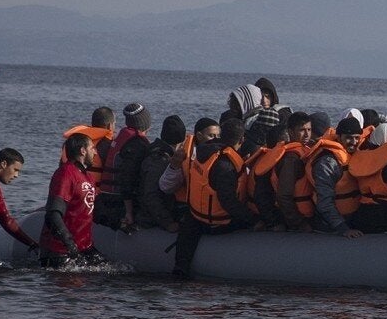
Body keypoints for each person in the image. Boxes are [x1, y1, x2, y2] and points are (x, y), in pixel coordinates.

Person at [174, 117, 257, 277]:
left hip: (196, 216)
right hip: (219, 222)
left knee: (189, 226)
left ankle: (181, 266)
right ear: (242, 140)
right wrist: (253, 219)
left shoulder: (203, 152)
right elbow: (228, 201)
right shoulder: (226, 165)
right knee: (253, 220)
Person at [40, 132, 105, 267]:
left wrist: (119, 223)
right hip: (61, 251)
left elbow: (93, 210)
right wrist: (70, 244)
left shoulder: (88, 177)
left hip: (84, 247)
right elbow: (53, 214)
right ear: (82, 151)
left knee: (108, 273)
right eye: (92, 148)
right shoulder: (65, 174)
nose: (95, 152)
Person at [310, 116, 369, 238]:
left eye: (357, 138)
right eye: (348, 138)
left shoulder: (353, 155)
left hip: (351, 220)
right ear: (338, 137)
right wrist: (343, 228)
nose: (353, 142)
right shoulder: (327, 162)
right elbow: (324, 202)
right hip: (328, 227)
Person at [263, 111, 316, 231]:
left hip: (307, 214)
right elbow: (283, 196)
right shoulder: (291, 159)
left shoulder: (305, 150)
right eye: (302, 130)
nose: (307, 134)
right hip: (298, 219)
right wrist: (299, 223)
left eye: (309, 130)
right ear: (291, 132)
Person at [103, 103, 152, 230]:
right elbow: (127, 178)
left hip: (108, 195)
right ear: (145, 124)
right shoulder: (137, 144)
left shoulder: (122, 136)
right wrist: (129, 212)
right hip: (119, 201)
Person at [135, 115, 187, 231]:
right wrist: (168, 223)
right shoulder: (159, 160)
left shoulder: (154, 151)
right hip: (150, 220)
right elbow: (151, 195)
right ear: (181, 140)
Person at [62, 106, 116, 188]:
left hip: (70, 189)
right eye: (114, 123)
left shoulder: (71, 140)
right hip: (94, 192)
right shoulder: (107, 144)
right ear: (110, 126)